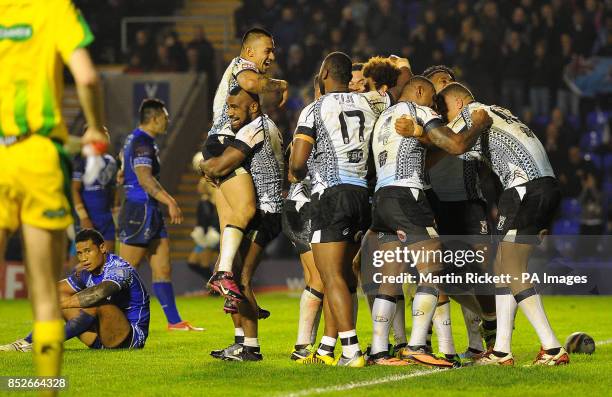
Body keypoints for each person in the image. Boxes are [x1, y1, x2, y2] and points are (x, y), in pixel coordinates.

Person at [0, 0, 106, 381]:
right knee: (45, 295)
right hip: (38, 155)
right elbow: (88, 78)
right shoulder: (54, 9)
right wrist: (95, 126)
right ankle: (46, 389)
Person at [435, 82, 569, 366]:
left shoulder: (471, 115)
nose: (443, 118)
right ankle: (501, 351)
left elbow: (452, 146)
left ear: (458, 104)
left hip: (525, 188)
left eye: (443, 110)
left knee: (510, 267)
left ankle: (553, 349)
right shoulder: (498, 111)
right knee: (500, 268)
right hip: (541, 185)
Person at [369, 76, 492, 367]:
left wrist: (421, 138)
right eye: (433, 99)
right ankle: (415, 346)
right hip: (408, 195)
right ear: (420, 91)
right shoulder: (419, 112)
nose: (435, 107)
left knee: (390, 278)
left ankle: (378, 352)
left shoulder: (383, 119)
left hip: (382, 198)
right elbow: (457, 145)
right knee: (433, 268)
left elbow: (428, 153)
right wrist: (478, 125)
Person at [289, 52, 395, 367]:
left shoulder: (314, 109)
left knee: (330, 274)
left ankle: (351, 351)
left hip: (331, 195)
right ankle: (326, 347)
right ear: (349, 77)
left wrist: (302, 170)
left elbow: (297, 162)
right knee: (345, 276)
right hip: (362, 195)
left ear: (324, 73)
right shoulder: (368, 105)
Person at [201, 28, 288, 301]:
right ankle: (223, 273)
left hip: (217, 144)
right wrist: (280, 85)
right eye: (268, 50)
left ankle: (226, 285)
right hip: (225, 143)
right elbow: (251, 83)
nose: (272, 56)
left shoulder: (238, 71)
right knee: (248, 209)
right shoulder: (243, 65)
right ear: (250, 51)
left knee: (231, 226)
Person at [201, 86, 285, 361]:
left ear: (253, 107)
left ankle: (251, 347)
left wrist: (207, 167)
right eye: (228, 106)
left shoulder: (256, 128)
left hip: (266, 212)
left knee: (241, 279)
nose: (230, 112)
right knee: (231, 279)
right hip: (258, 211)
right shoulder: (256, 126)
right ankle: (240, 342)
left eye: (236, 107)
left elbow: (219, 166)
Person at [423, 64, 497, 360]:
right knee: (443, 277)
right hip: (438, 204)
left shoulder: (469, 116)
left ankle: (482, 341)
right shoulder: (429, 121)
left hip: (469, 203)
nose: (446, 85)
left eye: (449, 81)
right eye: (440, 81)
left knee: (478, 273)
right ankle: (446, 348)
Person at [119, 98, 202, 331]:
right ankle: (103, 315)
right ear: (154, 119)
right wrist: (171, 201)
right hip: (139, 210)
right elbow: (145, 178)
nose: (168, 120)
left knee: (163, 267)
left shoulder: (136, 139)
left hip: (149, 210)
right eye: (165, 117)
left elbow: (123, 168)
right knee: (124, 271)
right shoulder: (142, 142)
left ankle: (174, 322)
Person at [0, 229, 150, 351]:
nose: (83, 258)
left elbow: (100, 293)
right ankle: (27, 342)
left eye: (88, 251)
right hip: (100, 340)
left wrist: (59, 306)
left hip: (129, 339)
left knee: (95, 300)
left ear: (102, 248)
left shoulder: (119, 269)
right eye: (79, 253)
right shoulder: (86, 272)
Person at [283, 76, 324, 361]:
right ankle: (304, 347)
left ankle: (305, 345)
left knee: (317, 278)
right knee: (322, 278)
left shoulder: (312, 117)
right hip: (304, 204)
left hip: (298, 205)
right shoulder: (315, 116)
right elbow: (293, 166)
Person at [72, 127, 118, 251]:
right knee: (85, 264)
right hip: (88, 218)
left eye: (106, 133)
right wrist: (84, 217)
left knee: (107, 263)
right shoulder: (81, 161)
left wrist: (116, 215)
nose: (105, 136)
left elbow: (113, 189)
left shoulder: (111, 162)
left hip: (106, 219)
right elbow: (74, 190)